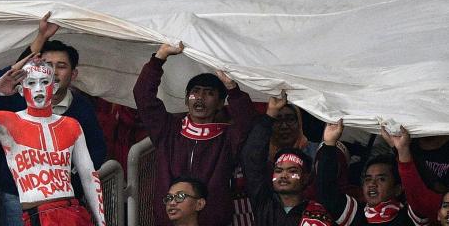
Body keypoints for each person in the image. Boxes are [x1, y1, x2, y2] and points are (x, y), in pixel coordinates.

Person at [0, 12, 106, 226]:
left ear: (73, 74)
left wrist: (62, 171)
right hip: (17, 198)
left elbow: (95, 155)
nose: (54, 71)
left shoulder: (81, 110)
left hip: (65, 204)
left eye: (61, 66)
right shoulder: (15, 101)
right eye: (48, 64)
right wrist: (4, 83)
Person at [133, 41, 256, 226]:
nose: (199, 97)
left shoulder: (227, 138)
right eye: (195, 92)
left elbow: (247, 120)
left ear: (221, 103)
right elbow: (143, 95)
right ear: (185, 99)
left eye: (209, 93)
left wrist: (232, 88)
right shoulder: (168, 129)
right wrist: (160, 57)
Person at [241, 92, 334, 226]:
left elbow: (328, 184)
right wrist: (270, 115)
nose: (283, 175)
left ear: (306, 178)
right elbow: (251, 160)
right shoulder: (264, 204)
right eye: (278, 170)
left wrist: (330, 146)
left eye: (292, 171)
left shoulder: (317, 214)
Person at [318, 119, 430, 226]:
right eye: (368, 179)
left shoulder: (409, 218)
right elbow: (328, 193)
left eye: (381, 179)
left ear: (398, 189)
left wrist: (401, 151)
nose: (372, 184)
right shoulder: (357, 216)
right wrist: (329, 143)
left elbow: (417, 189)